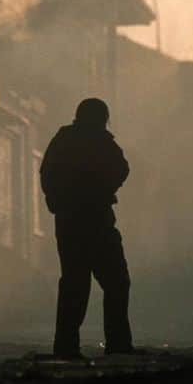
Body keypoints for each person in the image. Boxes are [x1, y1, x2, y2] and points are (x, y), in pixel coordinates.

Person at [40, 98, 135, 359]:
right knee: (115, 282)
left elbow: (47, 174)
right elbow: (122, 169)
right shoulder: (101, 142)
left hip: (70, 223)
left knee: (75, 284)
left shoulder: (64, 140)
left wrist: (58, 201)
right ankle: (117, 345)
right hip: (96, 222)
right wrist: (102, 188)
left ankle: (66, 348)